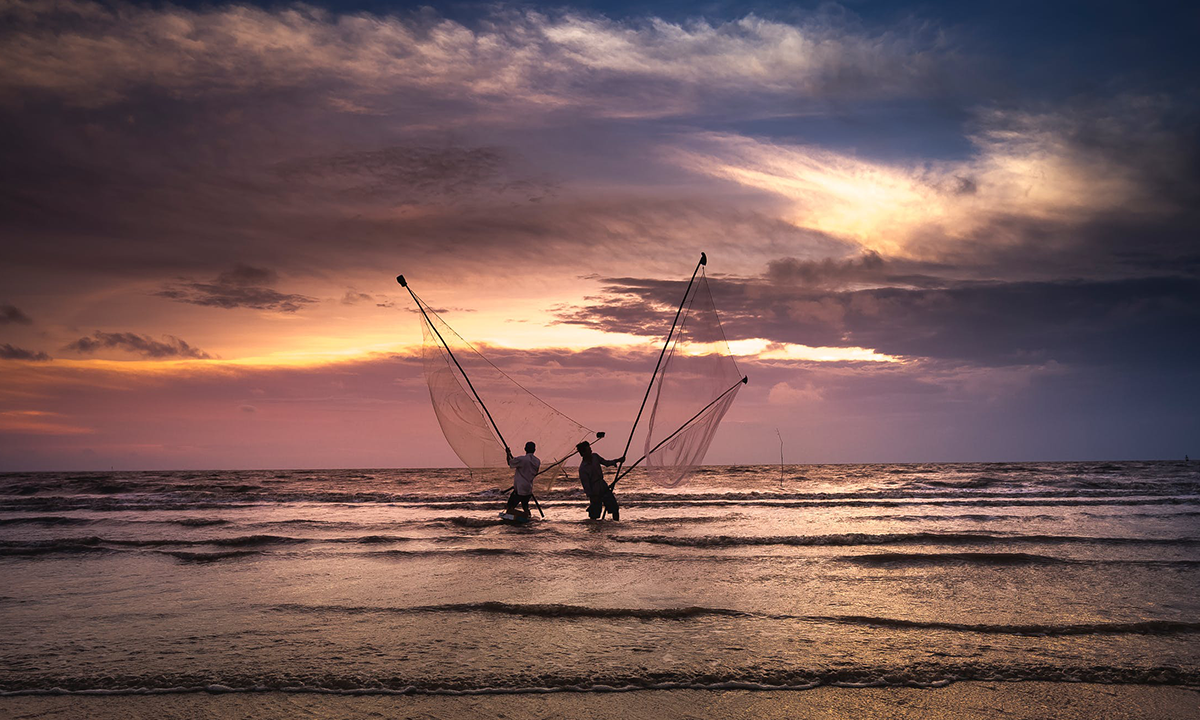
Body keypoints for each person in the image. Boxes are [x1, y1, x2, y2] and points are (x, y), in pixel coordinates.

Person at [577, 441, 624, 520]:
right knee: (594, 514)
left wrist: (617, 461)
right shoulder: (583, 468)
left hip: (603, 486)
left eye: (590, 449)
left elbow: (606, 463)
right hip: (594, 491)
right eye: (588, 450)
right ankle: (595, 530)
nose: (591, 451)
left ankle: (616, 525)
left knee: (614, 508)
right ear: (583, 453)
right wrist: (591, 496)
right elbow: (586, 485)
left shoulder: (595, 457)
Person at [505, 441, 540, 516]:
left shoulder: (522, 459)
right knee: (525, 506)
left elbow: (510, 462)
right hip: (528, 488)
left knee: (510, 507)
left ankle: (522, 516)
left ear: (525, 449)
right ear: (534, 450)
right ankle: (527, 516)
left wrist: (508, 453)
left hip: (520, 488)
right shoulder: (537, 461)